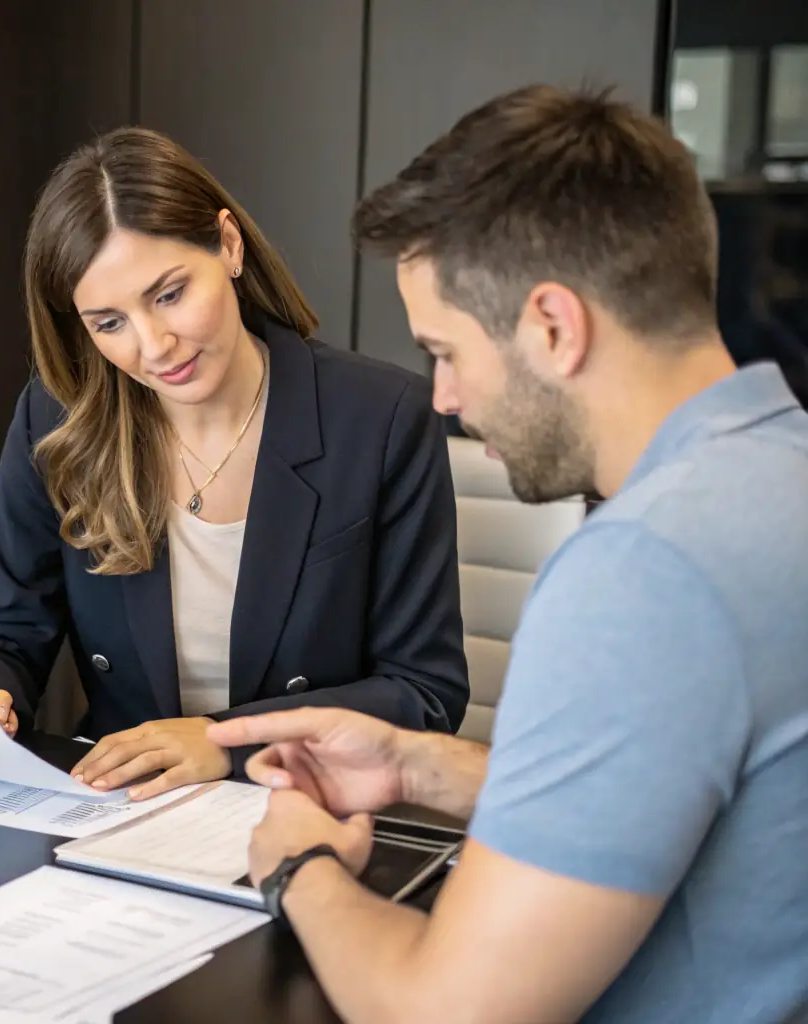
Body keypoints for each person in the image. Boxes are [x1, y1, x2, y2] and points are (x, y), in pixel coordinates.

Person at [209, 84, 808, 1023]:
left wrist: (300, 866)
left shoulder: (645, 571)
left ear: (553, 327)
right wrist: (421, 769)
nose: (441, 397)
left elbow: (446, 1010)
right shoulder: (779, 475)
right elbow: (695, 795)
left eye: (444, 351)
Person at [0, 127, 468, 801]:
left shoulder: (382, 416)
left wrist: (221, 740)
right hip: (117, 807)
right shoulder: (58, 416)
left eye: (168, 294)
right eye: (108, 324)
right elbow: (6, 628)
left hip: (312, 803)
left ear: (228, 244)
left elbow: (422, 693)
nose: (154, 346)